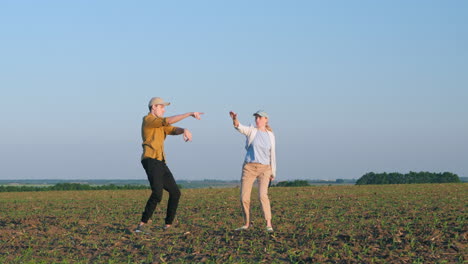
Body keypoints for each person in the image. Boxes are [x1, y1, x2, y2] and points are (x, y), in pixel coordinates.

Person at [135, 97, 203, 234]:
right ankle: (142, 225)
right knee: (157, 193)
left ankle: (168, 226)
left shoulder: (160, 124)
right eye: (161, 107)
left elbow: (172, 129)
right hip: (150, 160)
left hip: (160, 161)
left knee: (175, 193)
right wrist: (189, 114)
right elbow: (169, 121)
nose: (164, 109)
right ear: (153, 107)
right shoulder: (148, 120)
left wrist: (184, 130)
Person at [229, 110, 276, 232]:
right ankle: (246, 223)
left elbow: (272, 155)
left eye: (260, 118)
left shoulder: (271, 135)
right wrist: (234, 119)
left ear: (266, 120)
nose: (257, 120)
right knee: (244, 197)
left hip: (265, 168)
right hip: (249, 167)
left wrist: (273, 172)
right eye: (256, 118)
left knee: (262, 195)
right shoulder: (252, 131)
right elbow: (239, 127)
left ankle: (268, 224)